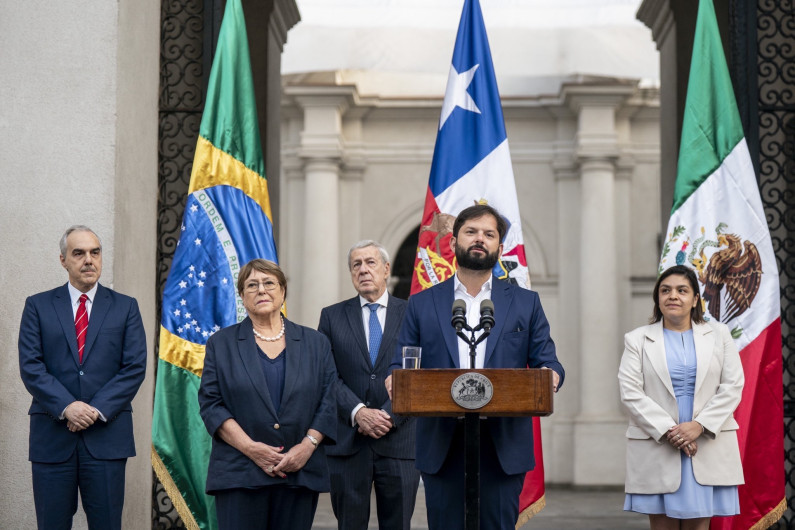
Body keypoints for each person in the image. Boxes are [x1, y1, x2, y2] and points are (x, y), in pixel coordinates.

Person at [385, 204, 564, 530]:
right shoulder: (423, 303)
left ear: (498, 246)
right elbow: (401, 362)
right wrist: (394, 380)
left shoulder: (525, 303)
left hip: (503, 446)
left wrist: (550, 377)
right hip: (443, 443)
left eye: (489, 234)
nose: (479, 239)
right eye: (471, 232)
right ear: (453, 243)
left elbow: (548, 362)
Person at [18, 225, 148, 530]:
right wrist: (67, 407)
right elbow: (31, 366)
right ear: (63, 260)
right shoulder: (37, 306)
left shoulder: (126, 307)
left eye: (95, 252)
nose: (88, 260)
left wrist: (95, 409)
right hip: (52, 437)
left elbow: (133, 368)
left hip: (107, 437)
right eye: (79, 253)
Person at [198, 258, 337, 530]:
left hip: (298, 472)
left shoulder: (316, 343)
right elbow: (211, 404)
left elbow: (328, 400)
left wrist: (307, 446)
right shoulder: (221, 344)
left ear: (283, 291)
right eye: (252, 285)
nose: (261, 290)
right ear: (242, 296)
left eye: (269, 283)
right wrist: (251, 449)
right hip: (239, 473)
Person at [618, 264, 744, 529]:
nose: (672, 296)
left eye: (681, 290)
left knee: (699, 525)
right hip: (659, 443)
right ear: (657, 298)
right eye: (665, 290)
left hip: (706, 444)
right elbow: (630, 392)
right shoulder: (637, 339)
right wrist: (671, 432)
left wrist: (699, 426)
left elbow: (733, 385)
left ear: (695, 299)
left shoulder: (719, 335)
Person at [318, 240, 420, 530]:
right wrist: (359, 412)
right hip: (349, 443)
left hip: (400, 441)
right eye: (356, 265)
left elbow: (417, 372)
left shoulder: (413, 313)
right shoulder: (332, 316)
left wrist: (389, 415)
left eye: (370, 262)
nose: (363, 270)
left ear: (386, 269)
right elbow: (326, 374)